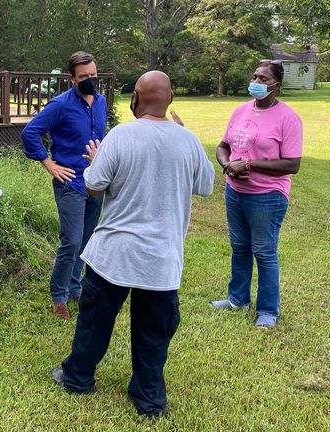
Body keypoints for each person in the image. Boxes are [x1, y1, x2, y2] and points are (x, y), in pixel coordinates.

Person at [49, 71, 215, 417]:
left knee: (94, 322)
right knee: (153, 333)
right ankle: (149, 401)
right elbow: (205, 186)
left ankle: (77, 378)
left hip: (114, 255)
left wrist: (97, 161)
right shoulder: (188, 141)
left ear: (135, 100)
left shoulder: (120, 136)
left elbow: (93, 186)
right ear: (170, 100)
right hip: (160, 259)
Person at [209, 60, 303, 329]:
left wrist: (249, 164)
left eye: (263, 79)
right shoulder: (240, 111)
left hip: (267, 195)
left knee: (263, 251)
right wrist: (227, 164)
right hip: (235, 191)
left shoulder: (288, 118)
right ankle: (238, 299)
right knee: (240, 248)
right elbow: (223, 146)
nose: (257, 82)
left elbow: (292, 164)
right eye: (254, 77)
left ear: (276, 85)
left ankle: (268, 310)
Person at [22, 51, 108, 320]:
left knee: (85, 240)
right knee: (70, 242)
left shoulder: (101, 102)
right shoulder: (60, 104)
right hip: (70, 181)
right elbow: (30, 133)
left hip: (96, 181)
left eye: (93, 75)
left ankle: (74, 288)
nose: (90, 80)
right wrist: (49, 163)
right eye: (84, 77)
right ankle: (58, 296)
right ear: (72, 78)